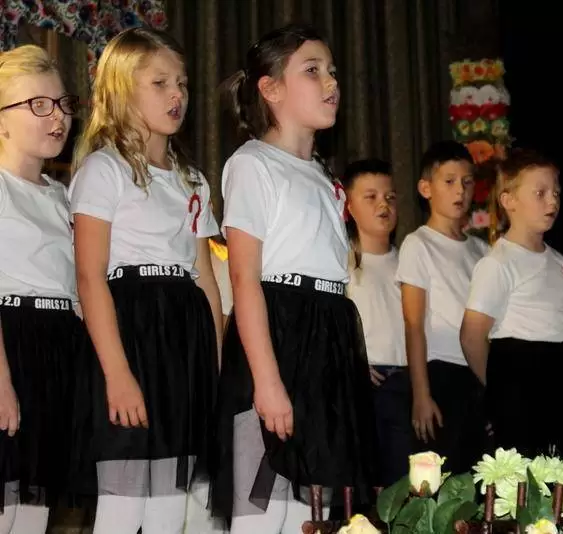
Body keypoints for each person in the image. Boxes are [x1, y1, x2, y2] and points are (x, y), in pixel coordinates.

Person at [211, 24, 378, 534]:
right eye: (312, 70)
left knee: (315, 511)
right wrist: (267, 383)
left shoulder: (325, 176)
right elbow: (245, 279)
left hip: (327, 337)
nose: (331, 82)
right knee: (264, 511)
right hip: (279, 333)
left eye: (332, 71)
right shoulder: (252, 164)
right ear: (271, 88)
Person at [69, 28, 222, 534]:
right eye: (160, 83)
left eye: (182, 83)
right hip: (130, 331)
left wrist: (216, 366)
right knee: (124, 501)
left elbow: (205, 278)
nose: (177, 94)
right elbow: (89, 277)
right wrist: (117, 373)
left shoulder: (192, 179)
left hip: (184, 338)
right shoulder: (103, 170)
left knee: (170, 505)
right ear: (120, 89)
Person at [0, 45, 83, 534]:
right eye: (38, 104)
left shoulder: (64, 197)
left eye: (63, 103)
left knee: (35, 510)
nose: (58, 117)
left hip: (59, 348)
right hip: (11, 342)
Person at [461, 149, 563, 460]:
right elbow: (472, 336)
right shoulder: (498, 262)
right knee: (523, 471)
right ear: (509, 200)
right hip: (517, 373)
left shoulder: (559, 261)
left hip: (559, 368)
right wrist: (499, 388)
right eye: (540, 193)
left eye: (556, 193)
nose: (552, 202)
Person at [396, 140, 489, 475]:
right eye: (449, 181)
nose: (460, 190)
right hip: (440, 373)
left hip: (478, 373)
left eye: (467, 181)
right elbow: (413, 324)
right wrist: (422, 394)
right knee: (439, 482)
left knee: (481, 477)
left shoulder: (482, 250)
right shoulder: (418, 244)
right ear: (426, 188)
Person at [342, 158, 412, 488]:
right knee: (364, 487)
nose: (383, 205)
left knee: (405, 487)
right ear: (349, 206)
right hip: (366, 384)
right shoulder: (340, 262)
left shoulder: (409, 262)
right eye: (370, 197)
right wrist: (352, 361)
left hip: (408, 383)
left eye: (390, 197)